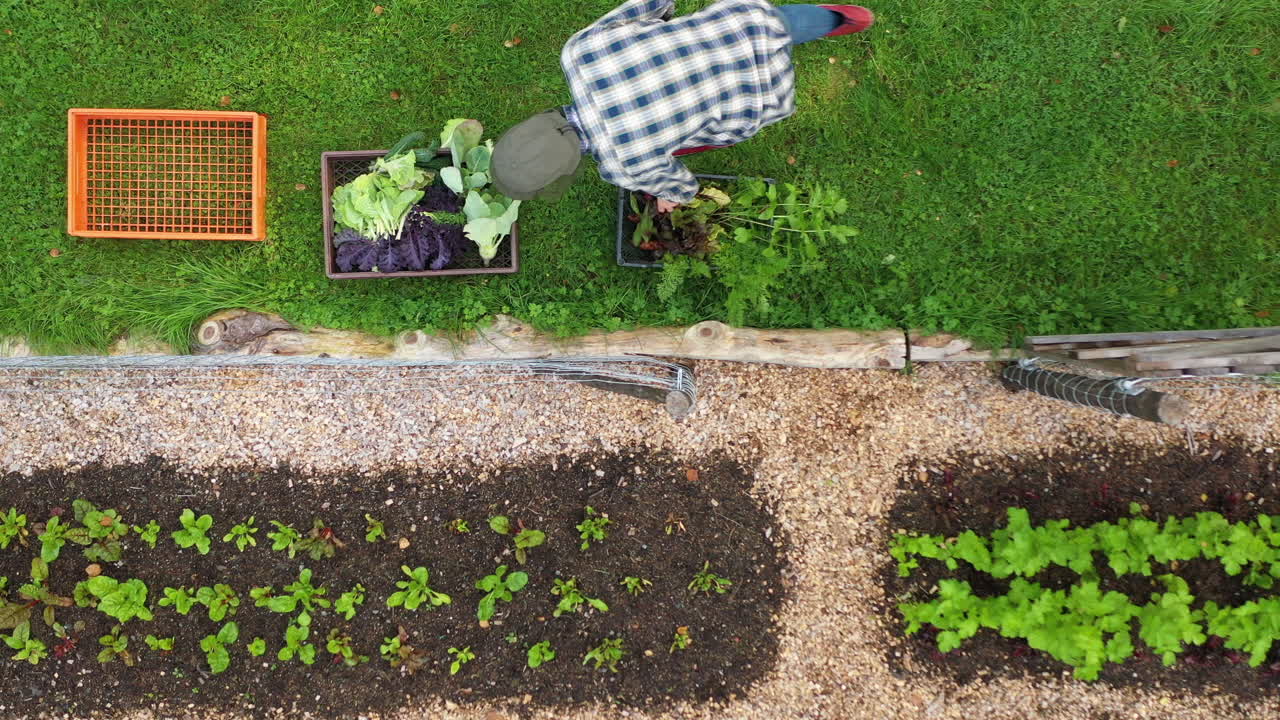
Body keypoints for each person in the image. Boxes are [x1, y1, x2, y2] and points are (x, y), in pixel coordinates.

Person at [489, 1, 874, 213]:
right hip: (738, 26)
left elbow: (683, 186)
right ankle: (839, 18)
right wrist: (664, 26)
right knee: (784, 23)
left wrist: (670, 197)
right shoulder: (579, 52)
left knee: (691, 140)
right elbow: (649, 6)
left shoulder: (624, 166)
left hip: (761, 91)